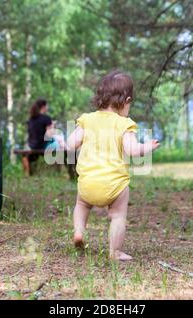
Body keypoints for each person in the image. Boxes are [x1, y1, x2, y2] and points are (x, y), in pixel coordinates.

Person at [67, 70, 160, 261]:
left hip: (88, 184)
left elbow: (70, 144)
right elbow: (133, 150)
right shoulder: (124, 124)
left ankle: (79, 232)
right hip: (114, 186)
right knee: (118, 215)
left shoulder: (87, 119)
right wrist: (147, 147)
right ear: (126, 100)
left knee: (81, 204)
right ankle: (115, 252)